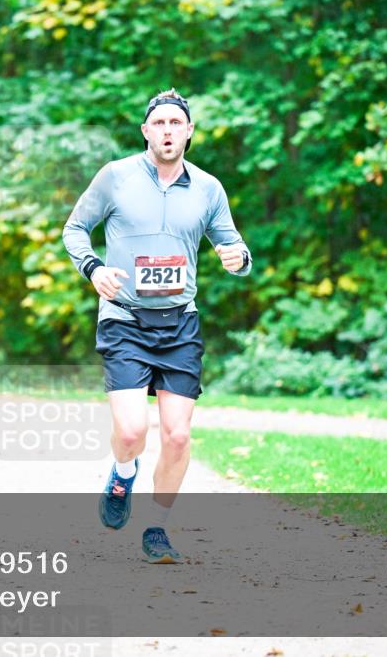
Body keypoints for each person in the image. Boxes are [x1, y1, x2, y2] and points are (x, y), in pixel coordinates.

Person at [62, 88, 252, 563]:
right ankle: (122, 475)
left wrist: (238, 258)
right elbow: (74, 229)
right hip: (125, 318)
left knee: (178, 435)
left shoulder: (208, 188)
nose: (168, 131)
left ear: (189, 131)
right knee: (130, 433)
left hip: (180, 324)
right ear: (146, 131)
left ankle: (157, 528)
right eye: (159, 123)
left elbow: (236, 247)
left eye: (176, 123)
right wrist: (93, 268)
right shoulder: (116, 177)